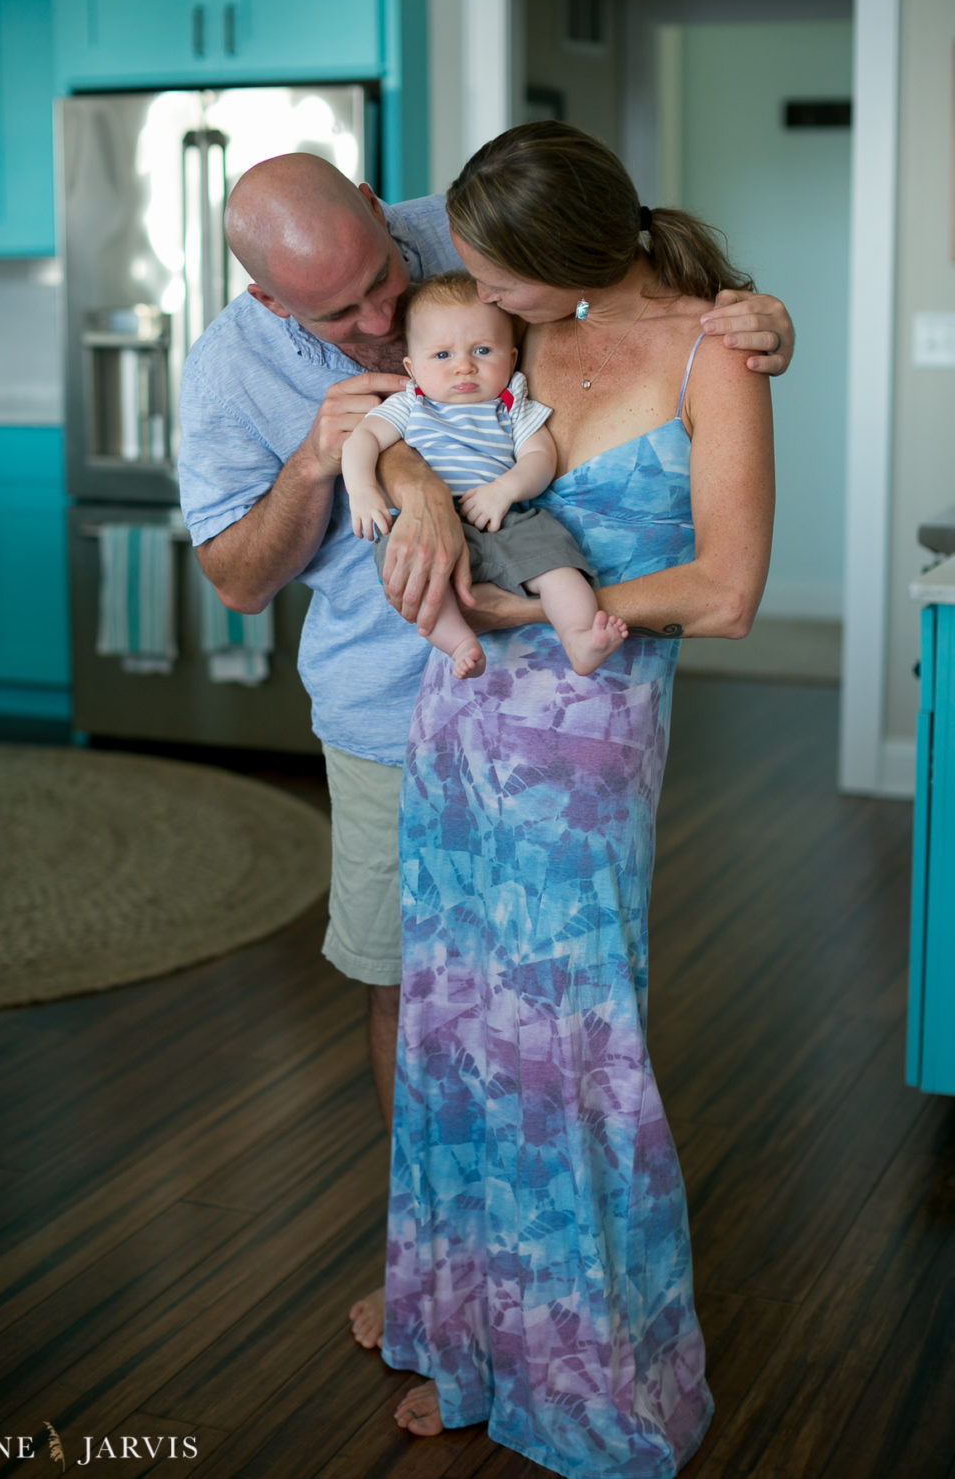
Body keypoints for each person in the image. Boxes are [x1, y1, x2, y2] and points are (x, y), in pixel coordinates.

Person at [176, 149, 792, 1353]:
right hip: (383, 711)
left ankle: (547, 1319)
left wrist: (759, 318)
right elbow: (239, 581)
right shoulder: (233, 369)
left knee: (555, 1028)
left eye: (380, 288)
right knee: (417, 1003)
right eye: (336, 317)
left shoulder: (482, 255)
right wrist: (343, 465)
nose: (377, 323)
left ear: (374, 205)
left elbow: (602, 340)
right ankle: (443, 1282)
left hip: (553, 716)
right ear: (266, 304)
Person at [381, 122, 775, 1476]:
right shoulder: (513, 327)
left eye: (498, 269)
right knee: (454, 1025)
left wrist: (551, 605)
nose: (476, 288)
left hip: (587, 735)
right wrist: (417, 494)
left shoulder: (712, 349)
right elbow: (405, 415)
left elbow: (725, 590)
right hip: (460, 716)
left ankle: (589, 1371)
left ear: (567, 258)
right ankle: (467, 1343)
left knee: (566, 1042)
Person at [342, 271, 628, 679]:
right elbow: (362, 440)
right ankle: (459, 642)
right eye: (442, 356)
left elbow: (539, 458)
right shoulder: (412, 406)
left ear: (511, 358)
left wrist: (505, 489)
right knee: (404, 566)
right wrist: (363, 491)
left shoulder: (512, 404)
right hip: (423, 527)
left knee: (559, 563)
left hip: (503, 517)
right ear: (412, 366)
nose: (463, 368)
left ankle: (580, 636)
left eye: (482, 350)